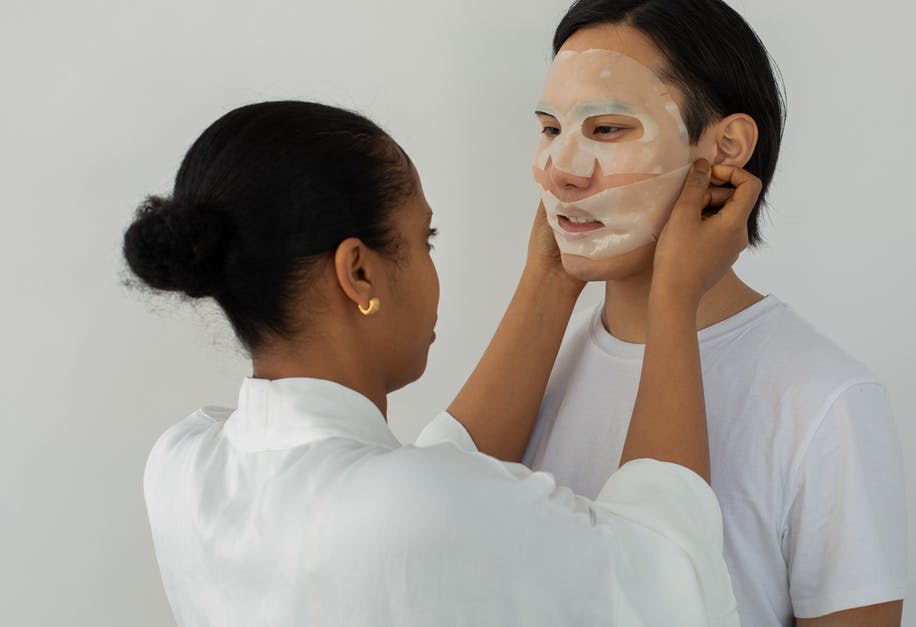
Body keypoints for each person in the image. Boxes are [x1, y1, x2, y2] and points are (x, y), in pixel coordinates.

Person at [125, 100, 761, 626]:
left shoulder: (181, 464)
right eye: (422, 239)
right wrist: (674, 298)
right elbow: (672, 583)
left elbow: (434, 488)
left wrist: (552, 273)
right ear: (359, 271)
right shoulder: (410, 508)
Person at [520, 1, 908, 625]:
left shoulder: (824, 399)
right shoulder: (535, 376)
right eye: (547, 128)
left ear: (727, 148)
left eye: (608, 129)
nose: (560, 170)